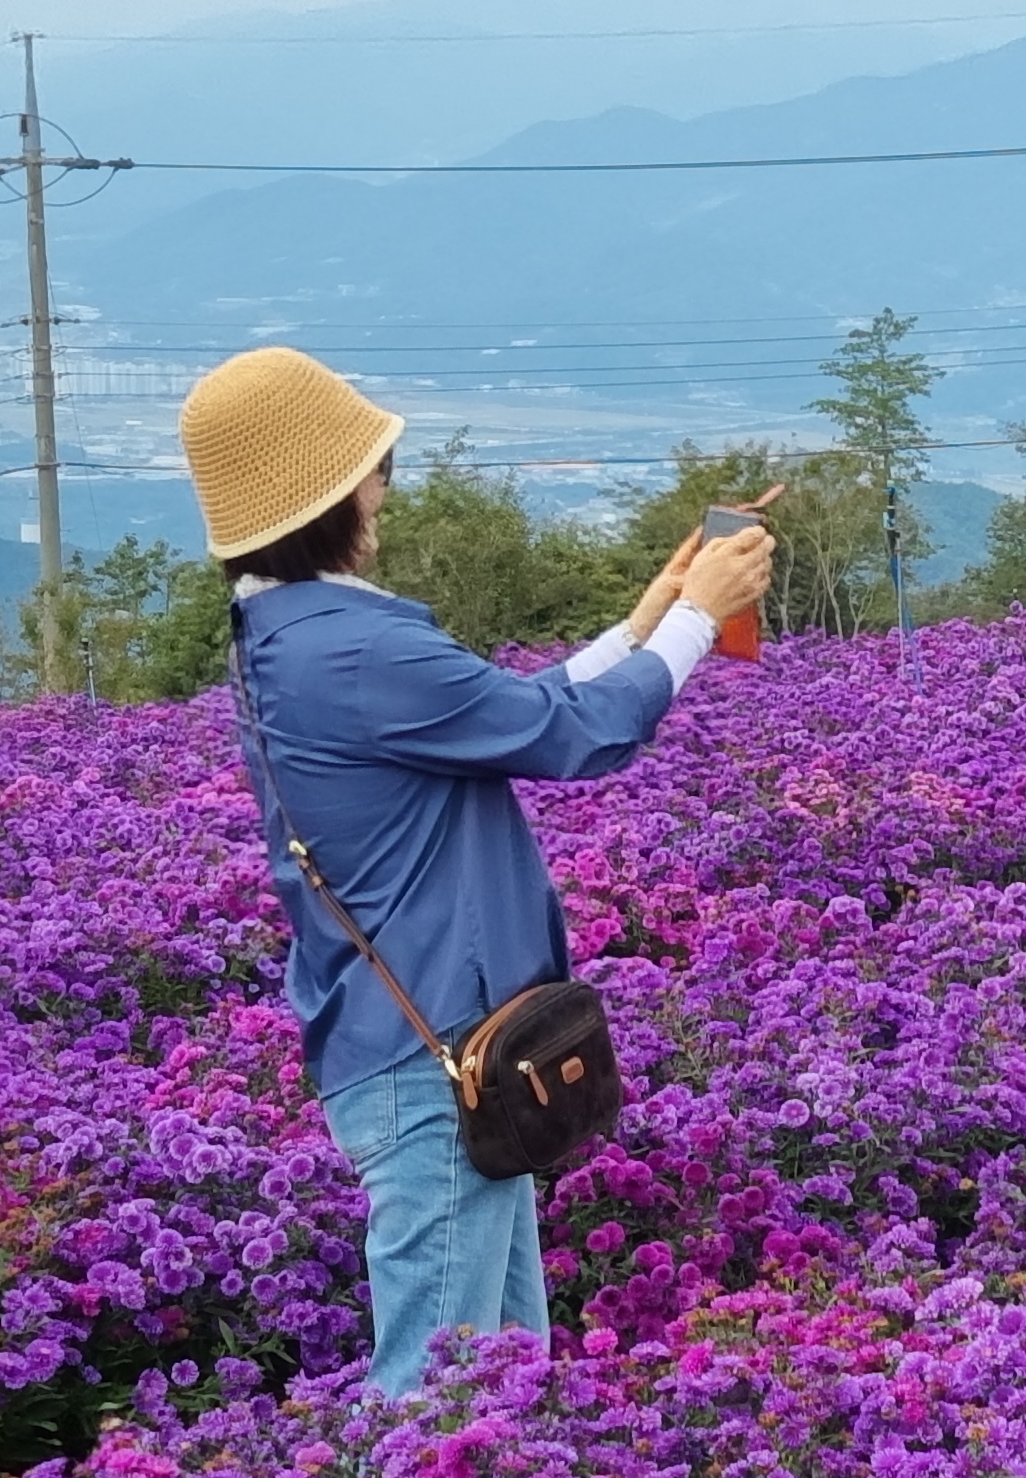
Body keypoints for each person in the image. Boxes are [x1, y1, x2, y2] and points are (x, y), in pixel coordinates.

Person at [183, 346, 775, 1396]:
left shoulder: (290, 634)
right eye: (373, 469)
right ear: (329, 496)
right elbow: (574, 739)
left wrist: (645, 623)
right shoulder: (354, 649)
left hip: (422, 1046)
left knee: (501, 1381)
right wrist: (698, 620)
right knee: (435, 1397)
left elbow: (509, 715)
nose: (383, 489)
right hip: (434, 1057)